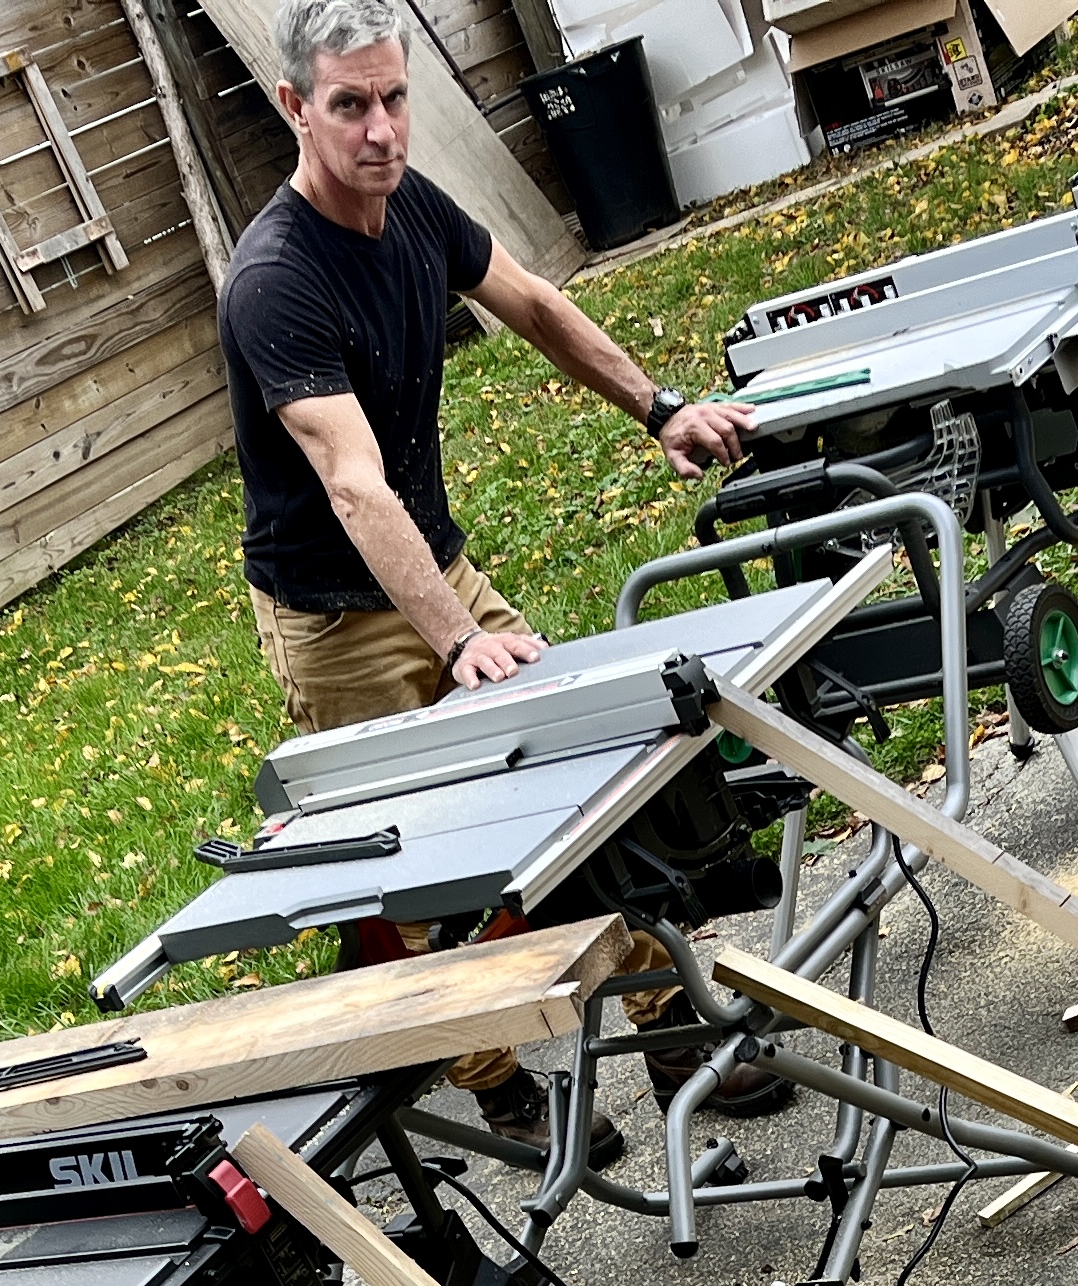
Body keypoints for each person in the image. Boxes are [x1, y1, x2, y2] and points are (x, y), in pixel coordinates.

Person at [221, 0, 790, 1159]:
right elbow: (352, 484)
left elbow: (531, 300)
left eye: (393, 98)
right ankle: (497, 1090)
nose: (381, 131)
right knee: (415, 879)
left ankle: (671, 1031)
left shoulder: (411, 205)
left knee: (581, 797)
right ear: (295, 108)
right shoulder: (275, 280)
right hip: (342, 624)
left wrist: (660, 406)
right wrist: (454, 642)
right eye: (349, 106)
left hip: (437, 572)